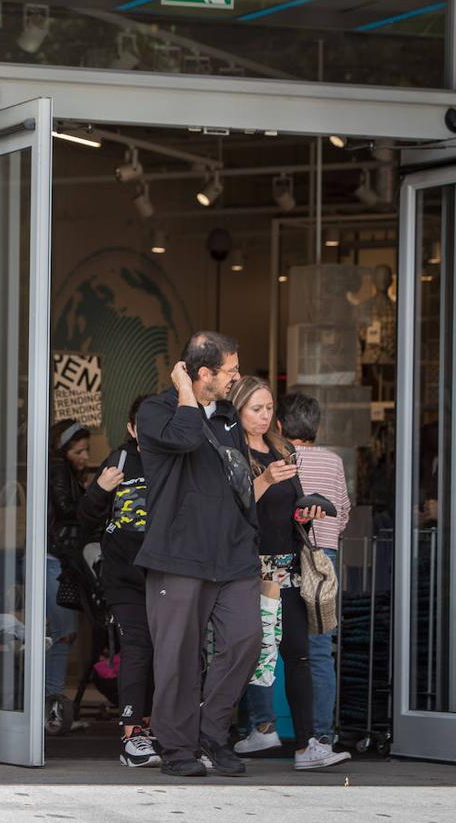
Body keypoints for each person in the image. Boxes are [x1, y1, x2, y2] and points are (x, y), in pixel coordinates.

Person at [134, 332, 262, 778]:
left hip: (233, 554)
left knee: (247, 640)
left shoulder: (229, 417)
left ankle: (210, 732)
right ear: (203, 372)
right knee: (178, 657)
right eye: (230, 370)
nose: (237, 377)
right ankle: (177, 747)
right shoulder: (157, 412)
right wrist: (187, 393)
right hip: (177, 555)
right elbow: (185, 440)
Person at [228, 380, 350, 770]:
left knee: (297, 654)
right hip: (250, 566)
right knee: (248, 653)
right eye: (255, 409)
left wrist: (306, 513)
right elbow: (232, 508)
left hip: (289, 562)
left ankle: (307, 745)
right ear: (238, 410)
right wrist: (263, 480)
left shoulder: (283, 448)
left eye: (268, 409)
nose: (264, 416)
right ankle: (243, 731)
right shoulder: (231, 451)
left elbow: (289, 506)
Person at [79, 395, 160, 768]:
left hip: (166, 574)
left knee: (170, 651)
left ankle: (158, 726)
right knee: (138, 647)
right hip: (123, 575)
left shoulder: (176, 461)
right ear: (131, 428)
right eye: (142, 424)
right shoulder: (121, 460)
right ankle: (131, 734)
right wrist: (100, 489)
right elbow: (85, 518)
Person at [279, 392, 350, 754]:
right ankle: (322, 734)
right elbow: (343, 513)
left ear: (279, 424)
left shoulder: (279, 458)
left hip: (288, 554)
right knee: (320, 646)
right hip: (325, 558)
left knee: (275, 643)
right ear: (316, 426)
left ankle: (265, 725)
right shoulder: (334, 461)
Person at [45, 418, 90, 735]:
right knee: (62, 634)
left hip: (57, 559)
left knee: (61, 634)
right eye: (79, 451)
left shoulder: (62, 472)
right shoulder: (60, 471)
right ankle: (51, 708)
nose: (85, 457)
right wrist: (93, 497)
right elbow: (67, 508)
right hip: (56, 560)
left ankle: (50, 705)